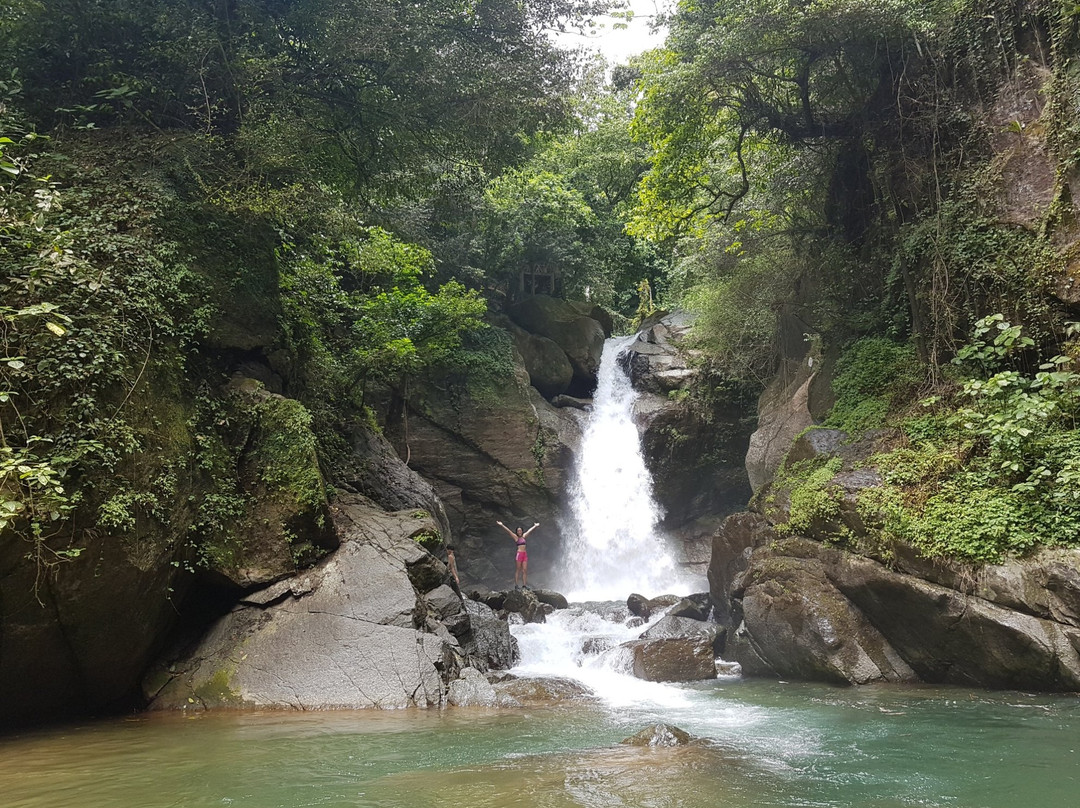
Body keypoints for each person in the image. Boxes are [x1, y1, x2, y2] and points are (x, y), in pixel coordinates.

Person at [496, 519, 539, 589]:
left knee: (524, 570)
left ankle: (524, 585)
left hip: (524, 554)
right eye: (518, 531)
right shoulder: (516, 537)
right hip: (519, 554)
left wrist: (535, 526)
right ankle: (516, 585)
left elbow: (529, 531)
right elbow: (508, 531)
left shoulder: (524, 536)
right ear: (517, 532)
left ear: (522, 531)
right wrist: (502, 525)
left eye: (520, 530)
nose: (519, 532)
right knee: (518, 570)